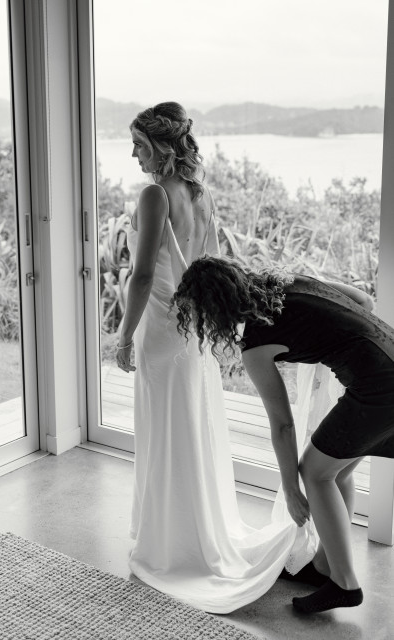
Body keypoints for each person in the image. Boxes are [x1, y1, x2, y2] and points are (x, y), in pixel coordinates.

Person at [115, 102, 319, 614]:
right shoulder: (200, 194)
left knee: (166, 431)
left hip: (161, 332)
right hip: (193, 331)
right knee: (192, 429)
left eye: (139, 145)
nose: (134, 155)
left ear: (162, 147)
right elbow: (207, 265)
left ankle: (172, 542)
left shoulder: (154, 195)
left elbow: (142, 275)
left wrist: (122, 335)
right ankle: (196, 530)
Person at [172, 255, 394, 613]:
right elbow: (364, 301)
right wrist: (333, 345)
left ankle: (345, 584)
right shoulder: (289, 282)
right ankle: (326, 566)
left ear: (215, 310)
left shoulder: (256, 343)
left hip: (378, 390)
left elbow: (283, 424)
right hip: (388, 361)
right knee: (336, 472)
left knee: (315, 473)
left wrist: (291, 488)